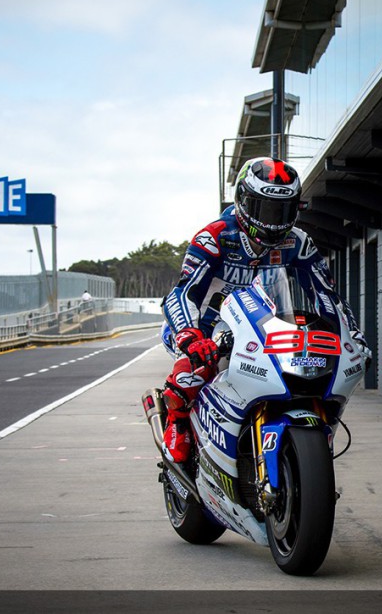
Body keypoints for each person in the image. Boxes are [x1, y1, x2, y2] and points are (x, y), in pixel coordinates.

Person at [157, 156, 367, 464]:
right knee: (192, 375)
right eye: (264, 208)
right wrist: (190, 336)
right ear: (242, 199)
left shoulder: (298, 243)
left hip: (263, 323)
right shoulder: (214, 237)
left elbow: (327, 295)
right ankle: (177, 423)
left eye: (282, 210)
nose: (272, 220)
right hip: (204, 325)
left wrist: (353, 337)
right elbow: (182, 293)